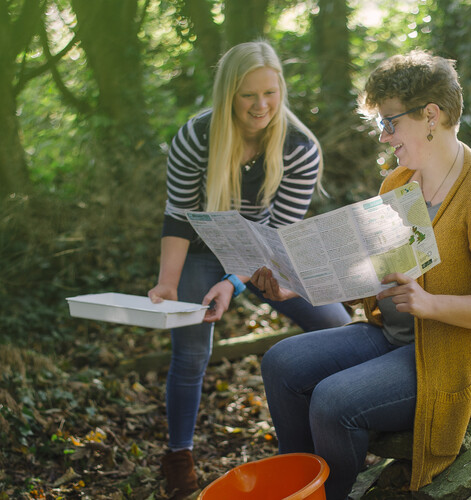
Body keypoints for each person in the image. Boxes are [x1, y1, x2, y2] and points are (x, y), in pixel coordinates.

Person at [252, 49, 471, 499]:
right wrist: (303, 284)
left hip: (453, 356)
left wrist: (431, 304)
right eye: (380, 125)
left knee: (333, 399)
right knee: (281, 362)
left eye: (390, 122)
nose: (384, 138)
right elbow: (380, 276)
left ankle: (335, 494)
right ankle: (302, 488)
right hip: (395, 336)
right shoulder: (397, 183)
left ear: (431, 115)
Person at [147, 41, 351, 499]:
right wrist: (167, 281)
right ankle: (178, 455)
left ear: (281, 90)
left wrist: (233, 283)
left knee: (338, 324)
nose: (261, 106)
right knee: (191, 350)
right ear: (227, 94)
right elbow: (177, 216)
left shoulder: (300, 148)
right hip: (201, 249)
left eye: (270, 93)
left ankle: (343, 430)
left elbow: (277, 239)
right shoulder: (195, 137)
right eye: (247, 95)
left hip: (266, 253)